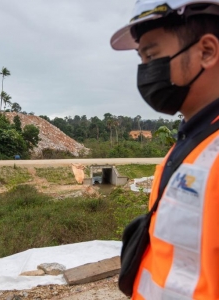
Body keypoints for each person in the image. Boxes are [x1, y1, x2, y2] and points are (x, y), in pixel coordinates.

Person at [110, 1, 219, 299]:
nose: (145, 70)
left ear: (207, 51)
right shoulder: (192, 140)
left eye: (152, 55)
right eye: (141, 58)